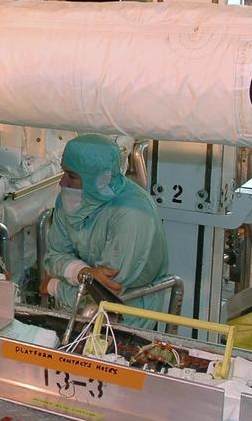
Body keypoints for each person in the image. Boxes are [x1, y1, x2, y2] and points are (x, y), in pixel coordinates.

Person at [42, 134, 169, 323]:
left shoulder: (132, 213)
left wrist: (55, 287)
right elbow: (53, 257)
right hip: (80, 309)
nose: (62, 182)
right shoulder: (69, 199)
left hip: (129, 315)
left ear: (99, 179)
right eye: (64, 172)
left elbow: (108, 290)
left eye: (72, 176)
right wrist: (83, 273)